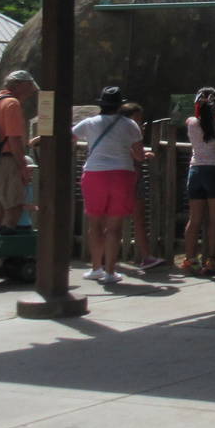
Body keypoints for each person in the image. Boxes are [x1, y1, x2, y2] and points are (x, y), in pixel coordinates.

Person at [72, 86, 148, 285]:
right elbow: (139, 155)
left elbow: (69, 138)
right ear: (120, 105)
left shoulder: (89, 123)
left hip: (94, 174)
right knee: (114, 228)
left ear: (101, 104)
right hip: (122, 174)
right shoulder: (130, 125)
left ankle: (96, 267)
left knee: (95, 224)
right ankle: (110, 271)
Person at [0, 69, 37, 232]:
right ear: (18, 85)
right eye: (29, 86)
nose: (31, 91)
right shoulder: (12, 104)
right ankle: (7, 254)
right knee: (14, 208)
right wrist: (23, 166)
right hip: (6, 161)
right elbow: (13, 138)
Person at [183, 86, 215, 277]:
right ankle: (210, 260)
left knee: (194, 219)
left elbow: (193, 115)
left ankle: (189, 259)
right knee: (214, 219)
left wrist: (203, 108)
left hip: (195, 171)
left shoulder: (191, 122)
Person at [119, 102, 163, 270]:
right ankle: (105, 257)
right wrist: (143, 155)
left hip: (133, 176)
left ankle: (145, 256)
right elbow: (134, 154)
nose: (140, 124)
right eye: (137, 120)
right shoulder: (126, 133)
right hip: (128, 177)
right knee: (121, 219)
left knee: (138, 219)